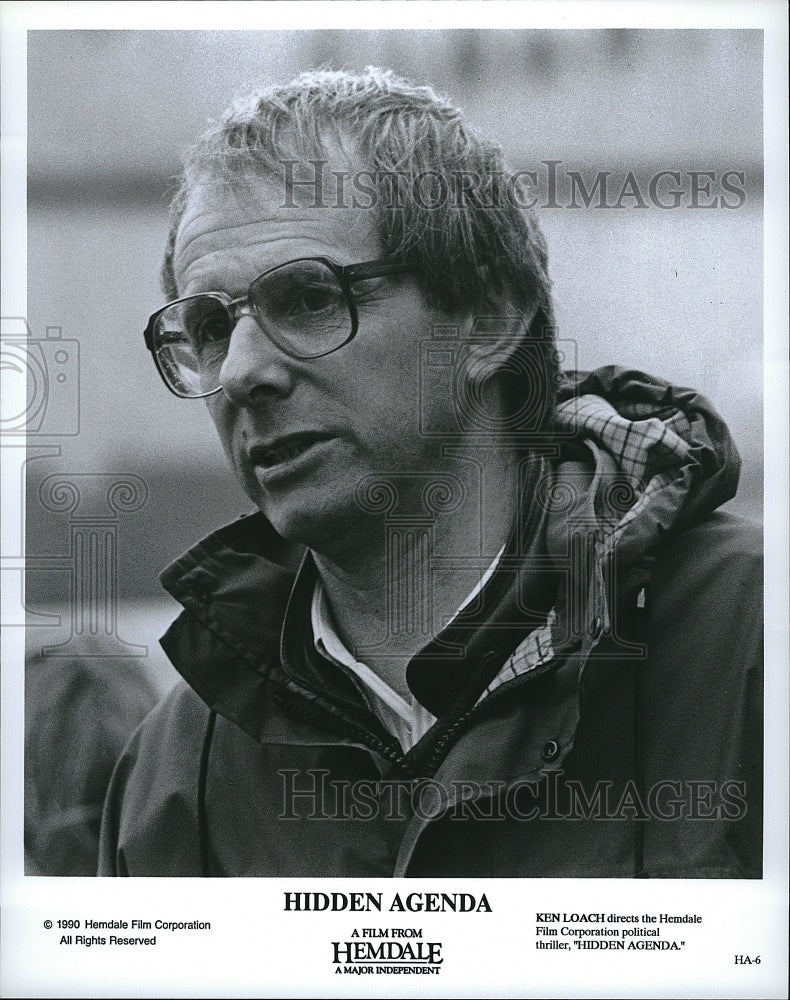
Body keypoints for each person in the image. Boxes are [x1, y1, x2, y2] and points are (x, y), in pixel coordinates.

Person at [98, 68, 762, 877]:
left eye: (308, 298)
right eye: (207, 325)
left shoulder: (751, 647)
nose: (240, 372)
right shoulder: (174, 778)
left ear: (485, 320)